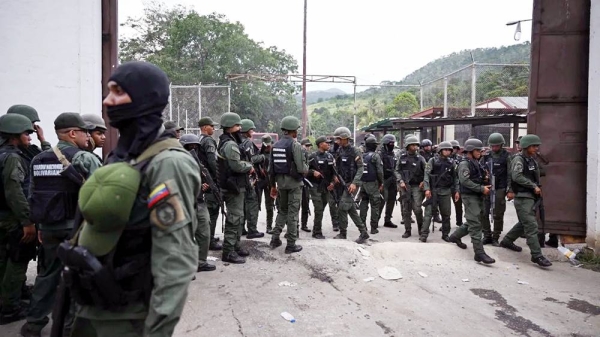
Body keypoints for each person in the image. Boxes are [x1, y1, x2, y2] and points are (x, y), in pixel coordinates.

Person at [65, 61, 200, 336]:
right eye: (108, 92)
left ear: (145, 97)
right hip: (91, 305)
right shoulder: (124, 155)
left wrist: (157, 330)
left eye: (117, 92)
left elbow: (176, 258)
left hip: (128, 315)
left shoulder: (167, 163)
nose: (107, 100)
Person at [21, 113, 101, 337]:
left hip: (48, 229)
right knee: (76, 278)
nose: (89, 136)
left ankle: (34, 324)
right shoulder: (84, 158)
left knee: (46, 276)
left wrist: (38, 226)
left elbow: (32, 195)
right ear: (73, 133)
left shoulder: (38, 159)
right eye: (85, 132)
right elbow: (103, 194)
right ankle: (70, 327)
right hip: (77, 229)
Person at [0, 114, 36, 325]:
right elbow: (15, 191)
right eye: (26, 133)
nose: (29, 137)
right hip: (13, 218)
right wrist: (27, 221)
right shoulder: (12, 158)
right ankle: (10, 308)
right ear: (14, 135)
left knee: (3, 260)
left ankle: (5, 301)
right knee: (17, 260)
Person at [499, 134, 552, 267]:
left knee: (524, 223)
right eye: (534, 146)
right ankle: (537, 255)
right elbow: (516, 176)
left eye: (537, 146)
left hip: (530, 197)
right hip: (523, 197)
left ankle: (507, 241)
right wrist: (532, 186)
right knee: (531, 225)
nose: (536, 148)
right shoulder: (519, 159)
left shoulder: (531, 160)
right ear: (526, 146)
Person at [447, 138, 496, 264]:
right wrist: (481, 188)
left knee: (473, 220)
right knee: (475, 224)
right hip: (470, 196)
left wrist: (485, 180)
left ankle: (455, 236)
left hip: (477, 195)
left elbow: (476, 177)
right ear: (470, 150)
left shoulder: (475, 162)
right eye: (477, 150)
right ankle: (479, 253)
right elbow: (465, 181)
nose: (480, 152)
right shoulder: (465, 163)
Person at [217, 112, 253, 264]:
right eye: (237, 125)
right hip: (233, 187)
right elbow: (236, 165)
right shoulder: (230, 144)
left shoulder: (228, 141)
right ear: (231, 127)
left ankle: (236, 246)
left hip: (234, 186)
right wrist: (249, 166)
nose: (240, 128)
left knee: (238, 218)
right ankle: (228, 251)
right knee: (234, 219)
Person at [179, 134, 216, 273]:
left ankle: (201, 261)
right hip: (185, 202)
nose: (193, 149)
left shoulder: (198, 163)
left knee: (204, 232)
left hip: (199, 201)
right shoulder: (178, 163)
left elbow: (201, 180)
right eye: (190, 147)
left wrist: (204, 186)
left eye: (195, 147)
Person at [269, 116, 307, 253]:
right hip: (294, 184)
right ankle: (291, 244)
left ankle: (275, 238)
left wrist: (273, 186)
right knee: (292, 213)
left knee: (282, 211)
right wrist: (307, 167)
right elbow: (302, 168)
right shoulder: (295, 145)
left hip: (281, 184)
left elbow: (271, 169)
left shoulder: (275, 145)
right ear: (293, 131)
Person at [331, 127, 369, 244]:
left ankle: (343, 233)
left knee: (342, 207)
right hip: (343, 182)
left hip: (352, 183)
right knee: (351, 209)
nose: (337, 141)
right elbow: (336, 165)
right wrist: (335, 176)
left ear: (345, 138)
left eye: (339, 139)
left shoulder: (355, 150)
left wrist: (354, 183)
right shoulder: (339, 150)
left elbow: (361, 168)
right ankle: (363, 232)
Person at [420, 141, 459, 242]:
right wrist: (427, 189)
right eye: (445, 150)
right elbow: (426, 175)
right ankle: (424, 234)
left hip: (446, 191)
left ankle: (445, 234)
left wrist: (457, 191)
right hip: (433, 191)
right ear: (440, 151)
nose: (447, 151)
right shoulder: (433, 161)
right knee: (428, 214)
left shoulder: (452, 163)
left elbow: (455, 178)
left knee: (446, 214)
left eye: (449, 150)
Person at [481, 133, 513, 246]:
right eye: (492, 146)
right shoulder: (486, 156)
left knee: (498, 213)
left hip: (500, 187)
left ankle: (495, 236)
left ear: (501, 145)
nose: (494, 148)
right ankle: (487, 235)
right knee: (484, 212)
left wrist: (510, 190)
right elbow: (480, 170)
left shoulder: (507, 156)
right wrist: (484, 177)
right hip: (488, 187)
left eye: (497, 146)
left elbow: (510, 174)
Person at [197, 116, 222, 251]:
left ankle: (209, 236)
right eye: (211, 126)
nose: (213, 128)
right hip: (210, 179)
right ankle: (210, 240)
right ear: (205, 127)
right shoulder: (208, 141)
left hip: (202, 178)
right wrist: (218, 179)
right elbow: (213, 162)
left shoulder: (198, 139)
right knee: (212, 211)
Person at [396, 136, 426, 238]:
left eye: (416, 145)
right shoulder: (402, 157)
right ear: (408, 146)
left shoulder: (420, 159)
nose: (415, 147)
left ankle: (421, 229)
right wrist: (400, 181)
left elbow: (427, 172)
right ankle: (407, 230)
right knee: (406, 209)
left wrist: (423, 182)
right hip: (405, 187)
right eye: (412, 145)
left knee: (417, 208)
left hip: (417, 186)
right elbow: (397, 170)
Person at [239, 119, 265, 239]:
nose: (253, 131)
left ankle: (241, 229)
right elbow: (252, 159)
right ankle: (252, 230)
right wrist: (262, 156)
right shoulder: (248, 143)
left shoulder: (237, 142)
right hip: (249, 178)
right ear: (246, 130)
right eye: (251, 129)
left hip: (242, 177)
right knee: (252, 203)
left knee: (243, 204)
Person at [306, 136, 335, 239]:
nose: (328, 144)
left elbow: (333, 172)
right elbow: (303, 171)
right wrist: (313, 172)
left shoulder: (330, 157)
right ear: (320, 144)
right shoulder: (312, 157)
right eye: (326, 143)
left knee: (322, 208)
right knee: (318, 209)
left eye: (329, 143)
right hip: (315, 186)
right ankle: (317, 232)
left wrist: (332, 182)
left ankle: (316, 228)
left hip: (326, 186)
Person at [358, 135, 383, 234]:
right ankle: (373, 227)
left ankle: (363, 226)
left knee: (364, 204)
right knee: (375, 205)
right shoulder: (376, 156)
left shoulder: (362, 156)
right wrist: (381, 182)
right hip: (373, 183)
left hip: (363, 183)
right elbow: (380, 171)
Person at [378, 134, 399, 229]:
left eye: (393, 143)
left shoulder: (393, 154)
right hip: (384, 180)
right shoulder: (380, 154)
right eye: (391, 143)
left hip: (392, 180)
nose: (392, 144)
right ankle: (375, 220)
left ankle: (388, 220)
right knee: (381, 201)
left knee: (391, 200)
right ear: (386, 143)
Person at [256, 134, 275, 234]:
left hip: (270, 182)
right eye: (266, 145)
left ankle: (269, 226)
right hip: (259, 181)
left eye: (269, 145)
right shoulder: (258, 154)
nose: (268, 147)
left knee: (270, 205)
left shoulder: (274, 154)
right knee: (256, 205)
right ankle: (253, 228)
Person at [299, 138, 313, 232]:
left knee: (306, 204)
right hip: (298, 181)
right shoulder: (297, 154)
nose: (307, 148)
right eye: (306, 146)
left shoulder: (310, 156)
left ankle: (304, 225)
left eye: (308, 146)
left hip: (306, 182)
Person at [450, 140, 464, 227]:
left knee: (458, 205)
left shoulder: (460, 158)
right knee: (444, 207)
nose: (454, 149)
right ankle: (445, 223)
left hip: (457, 184)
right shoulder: (443, 158)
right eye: (452, 148)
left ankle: (459, 222)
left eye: (455, 148)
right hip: (446, 184)